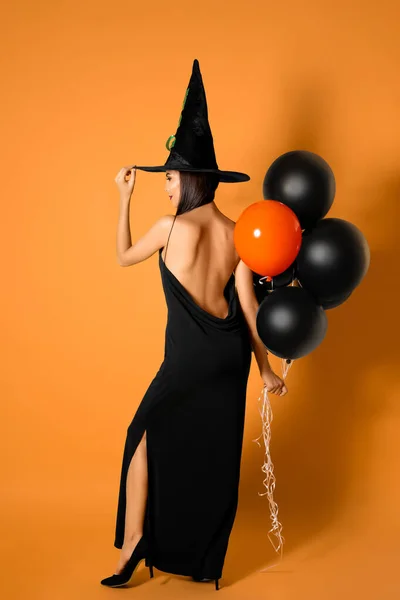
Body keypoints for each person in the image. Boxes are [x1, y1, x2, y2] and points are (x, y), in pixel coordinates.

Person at [100, 60, 287, 591]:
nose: (165, 186)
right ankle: (205, 561)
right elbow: (248, 308)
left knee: (142, 437)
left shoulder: (168, 227)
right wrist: (266, 371)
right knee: (212, 457)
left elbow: (121, 257)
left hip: (185, 359)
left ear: (187, 179)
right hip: (228, 359)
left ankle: (134, 543)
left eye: (169, 178)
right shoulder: (238, 233)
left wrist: (123, 197)